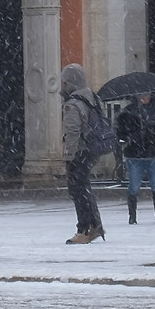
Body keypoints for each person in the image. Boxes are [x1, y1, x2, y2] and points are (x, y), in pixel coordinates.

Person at [60, 64, 110, 245]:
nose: (62, 87)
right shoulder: (91, 98)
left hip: (79, 151)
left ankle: (84, 229)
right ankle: (95, 225)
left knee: (78, 191)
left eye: (63, 83)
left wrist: (68, 156)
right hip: (91, 149)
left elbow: (72, 132)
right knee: (85, 189)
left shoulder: (73, 104)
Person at [117, 90, 155, 225]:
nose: (144, 97)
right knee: (134, 187)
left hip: (153, 154)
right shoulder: (128, 112)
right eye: (141, 95)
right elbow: (120, 131)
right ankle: (132, 216)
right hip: (135, 155)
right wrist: (132, 135)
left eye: (146, 95)